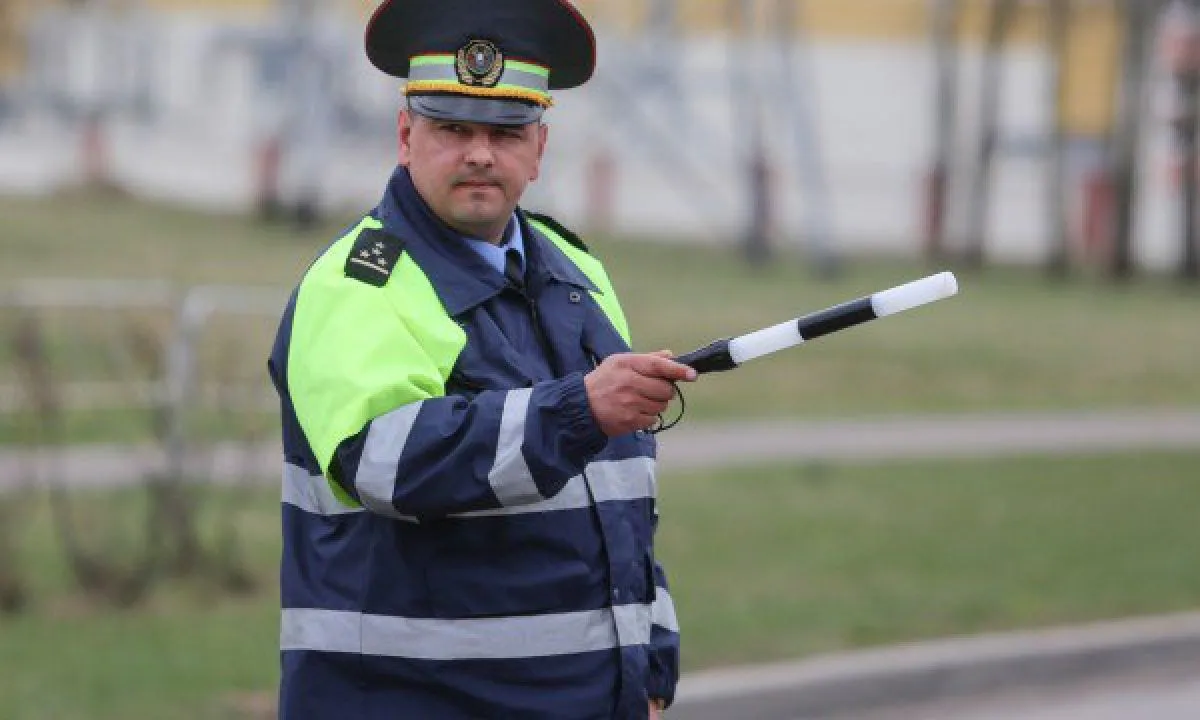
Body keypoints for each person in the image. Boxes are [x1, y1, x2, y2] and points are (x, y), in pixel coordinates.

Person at [267, 1, 695, 717]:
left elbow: (622, 497)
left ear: (540, 147)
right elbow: (385, 461)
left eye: (505, 132)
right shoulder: (358, 282)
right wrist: (577, 410)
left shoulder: (576, 273)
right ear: (405, 136)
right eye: (452, 128)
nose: (479, 153)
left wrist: (649, 666)